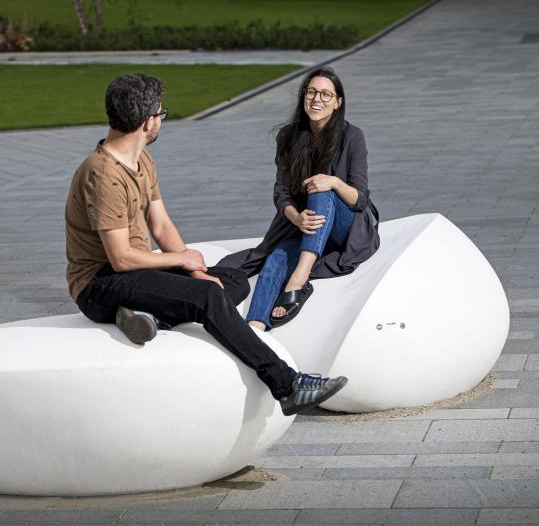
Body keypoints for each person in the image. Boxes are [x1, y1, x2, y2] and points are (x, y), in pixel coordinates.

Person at [64, 73, 347, 415]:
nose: (161, 120)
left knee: (232, 280)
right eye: (161, 114)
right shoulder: (104, 175)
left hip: (133, 273)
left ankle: (149, 316)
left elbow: (160, 224)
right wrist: (182, 261)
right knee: (209, 296)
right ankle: (288, 386)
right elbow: (121, 258)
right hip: (99, 284)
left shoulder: (141, 159)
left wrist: (195, 269)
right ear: (148, 122)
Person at [217, 67, 380, 330]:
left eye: (326, 94)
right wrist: (296, 218)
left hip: (344, 227)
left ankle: (300, 278)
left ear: (338, 102)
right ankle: (256, 325)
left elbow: (360, 199)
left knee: (321, 187)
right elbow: (281, 191)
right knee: (276, 257)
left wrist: (334, 182)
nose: (317, 99)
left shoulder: (352, 136)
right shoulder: (288, 136)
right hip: (305, 224)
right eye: (311, 92)